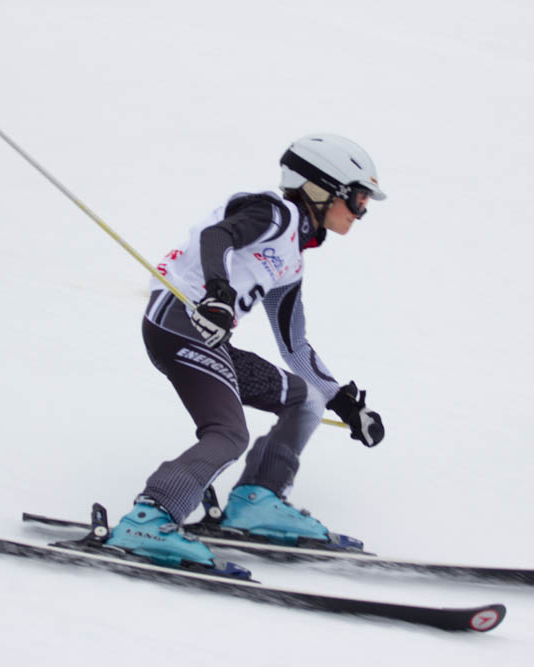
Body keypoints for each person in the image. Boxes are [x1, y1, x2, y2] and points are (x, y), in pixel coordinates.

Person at [105, 134, 386, 571]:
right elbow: (218, 236)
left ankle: (257, 500)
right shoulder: (274, 214)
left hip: (210, 339)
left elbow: (294, 344)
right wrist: (217, 293)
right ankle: (150, 518)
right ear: (322, 187)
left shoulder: (292, 259)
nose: (360, 211)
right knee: (229, 433)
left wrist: (344, 402)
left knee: (305, 399)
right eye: (357, 198)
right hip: (177, 322)